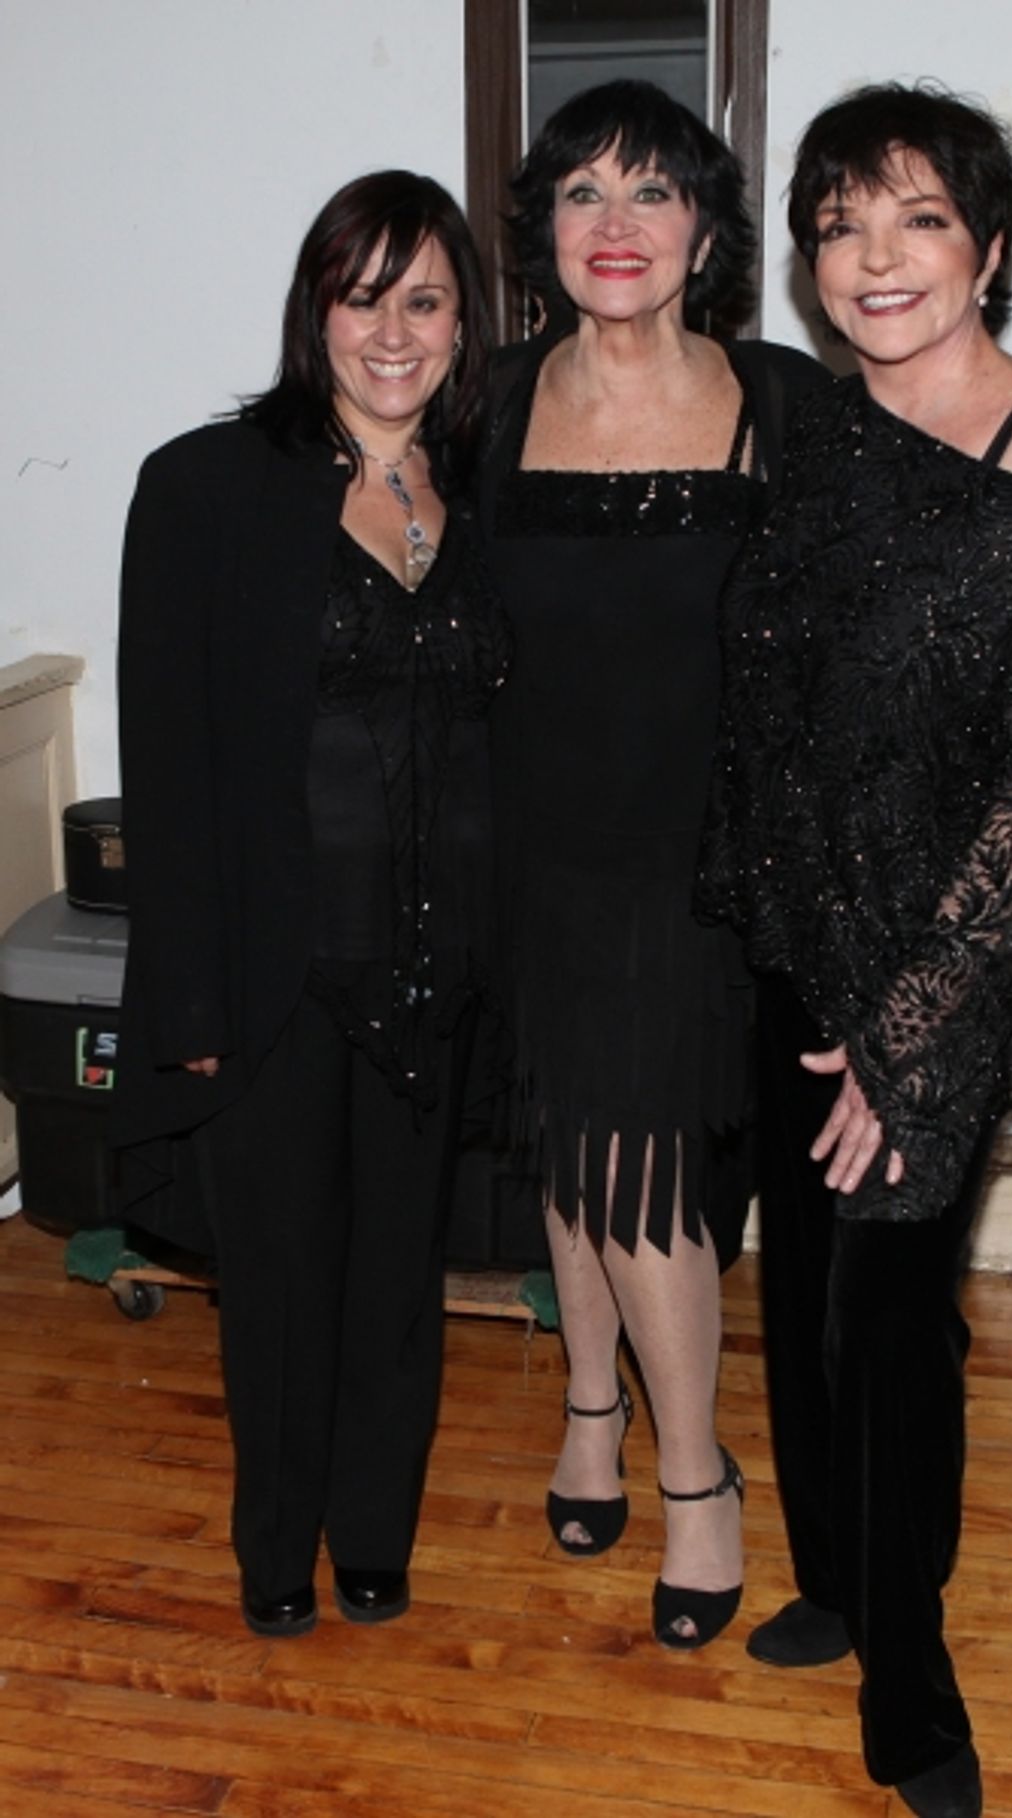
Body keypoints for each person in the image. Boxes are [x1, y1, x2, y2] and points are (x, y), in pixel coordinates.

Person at [696, 82, 1012, 1818]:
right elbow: (777, 700)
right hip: (798, 940)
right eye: (840, 222)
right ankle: (833, 1575)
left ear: (991, 248)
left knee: (888, 1317)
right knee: (798, 1298)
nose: (875, 255)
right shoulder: (806, 429)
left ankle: (920, 1673)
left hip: (943, 972)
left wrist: (914, 1029)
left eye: (919, 218)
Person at [110, 171, 509, 1638]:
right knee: (278, 1286)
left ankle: (374, 1533)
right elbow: (172, 763)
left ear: (465, 323)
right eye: (363, 296)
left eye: (424, 299)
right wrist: (192, 999)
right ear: (315, 311)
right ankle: (277, 1548)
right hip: (277, 976)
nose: (391, 331)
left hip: (437, 968)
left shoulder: (485, 497)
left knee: (400, 1281)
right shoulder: (206, 489)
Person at [478, 79, 828, 1650]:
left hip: (700, 857)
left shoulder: (783, 399)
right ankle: (590, 1404)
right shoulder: (489, 401)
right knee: (569, 1138)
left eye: (653, 193)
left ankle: (698, 1476)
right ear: (544, 228)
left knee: (652, 1167)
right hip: (532, 846)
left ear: (705, 229)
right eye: (582, 195)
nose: (615, 227)